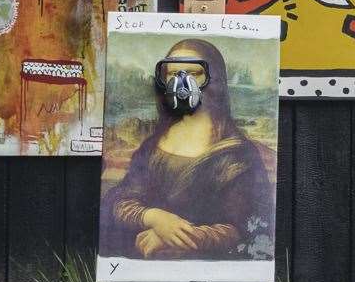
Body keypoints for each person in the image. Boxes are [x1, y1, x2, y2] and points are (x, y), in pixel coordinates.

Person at [100, 37, 273, 261]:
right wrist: (153, 217)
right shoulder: (155, 144)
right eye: (173, 74)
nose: (182, 82)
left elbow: (246, 227)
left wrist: (173, 237)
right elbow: (121, 199)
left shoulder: (238, 154)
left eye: (193, 73)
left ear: (214, 80)